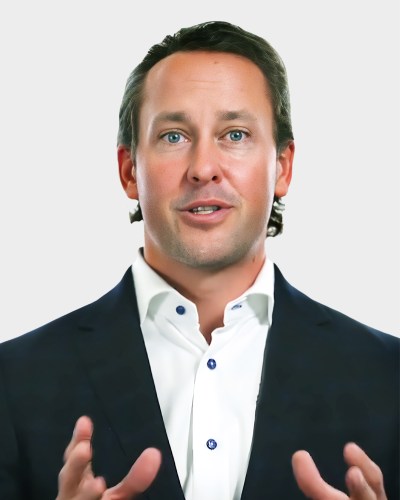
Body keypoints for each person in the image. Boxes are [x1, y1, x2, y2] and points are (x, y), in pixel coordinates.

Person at [0, 20, 398, 500]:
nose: (204, 167)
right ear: (129, 170)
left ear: (283, 167)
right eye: (173, 136)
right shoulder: (13, 382)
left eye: (235, 134)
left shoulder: (389, 377)